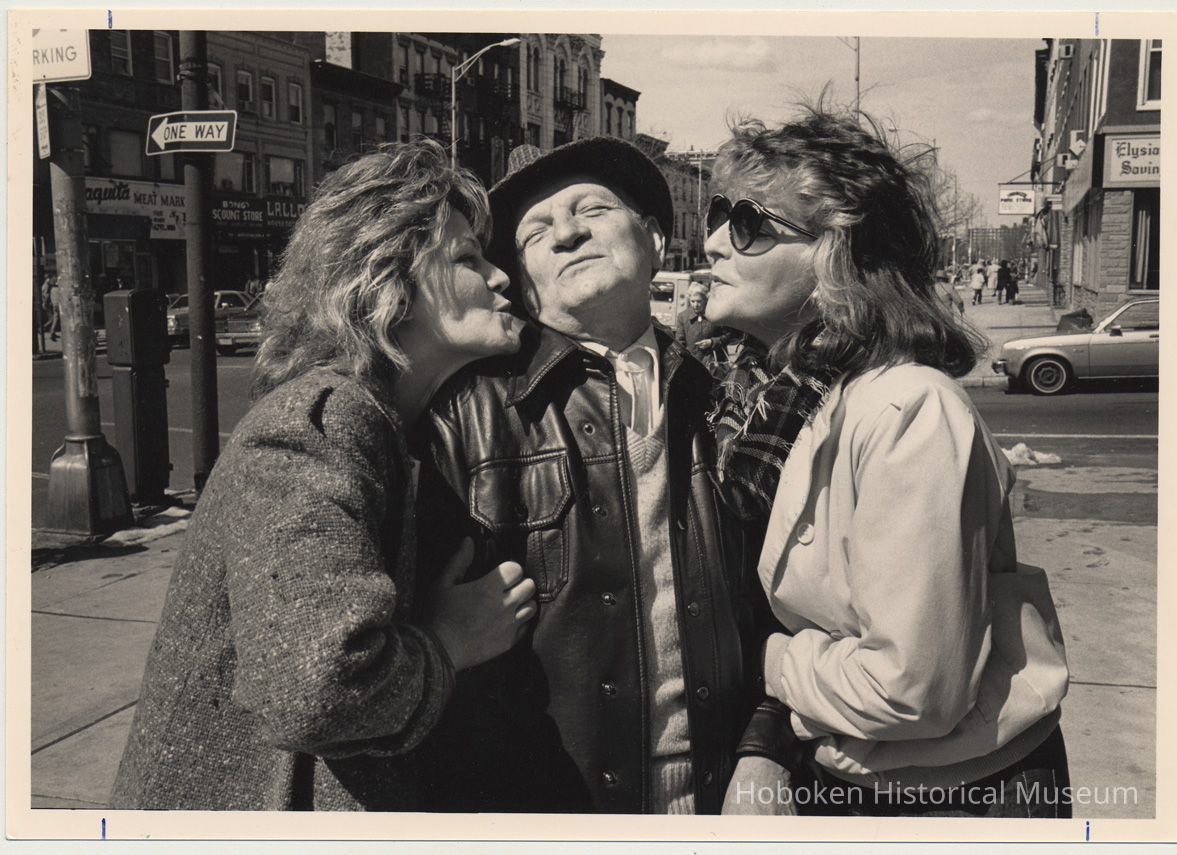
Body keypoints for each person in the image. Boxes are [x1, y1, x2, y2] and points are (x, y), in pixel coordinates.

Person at [109, 141, 539, 811]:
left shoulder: (384, 424)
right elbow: (315, 687)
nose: (500, 276)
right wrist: (449, 642)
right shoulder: (323, 419)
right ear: (384, 279)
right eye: (467, 258)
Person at [702, 105, 1072, 818]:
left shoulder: (905, 411)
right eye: (719, 213)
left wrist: (771, 661)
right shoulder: (782, 402)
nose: (715, 241)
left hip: (957, 796)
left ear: (834, 253)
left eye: (748, 223)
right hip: (870, 775)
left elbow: (912, 688)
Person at [412, 137, 792, 814]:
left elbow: (786, 604)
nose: (566, 232)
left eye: (591, 206)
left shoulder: (735, 396)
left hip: (720, 801)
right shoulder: (463, 415)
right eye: (535, 230)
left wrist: (767, 750)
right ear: (519, 278)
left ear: (653, 238)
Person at [674, 281, 736, 370]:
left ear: (706, 300)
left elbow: (729, 335)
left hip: (714, 364)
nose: (695, 305)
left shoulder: (716, 314)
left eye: (699, 301)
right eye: (692, 301)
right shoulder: (683, 316)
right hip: (691, 363)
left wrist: (712, 342)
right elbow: (679, 342)